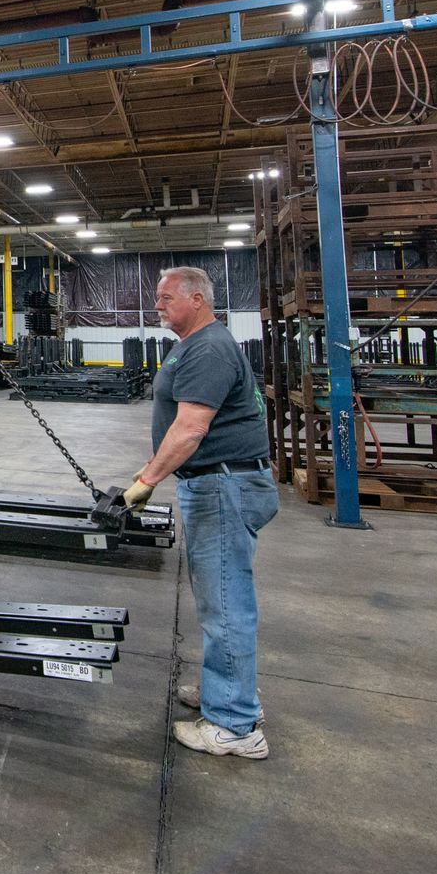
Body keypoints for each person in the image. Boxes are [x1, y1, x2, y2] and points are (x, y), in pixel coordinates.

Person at [123, 265, 277, 760]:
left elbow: (191, 429)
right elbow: (178, 423)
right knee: (220, 601)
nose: (158, 305)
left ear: (197, 299)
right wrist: (152, 465)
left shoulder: (208, 348)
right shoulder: (193, 344)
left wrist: (148, 481)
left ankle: (235, 725)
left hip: (222, 486)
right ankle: (227, 692)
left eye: (166, 297)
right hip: (216, 483)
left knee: (226, 605)